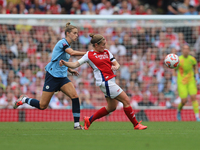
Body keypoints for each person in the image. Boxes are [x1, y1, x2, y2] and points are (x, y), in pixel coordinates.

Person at [59, 33, 147, 130]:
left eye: (105, 44)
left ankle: (89, 120)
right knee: (126, 100)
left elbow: (117, 64)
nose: (105, 46)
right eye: (103, 44)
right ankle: (136, 124)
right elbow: (76, 64)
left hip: (111, 81)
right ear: (96, 45)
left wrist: (116, 67)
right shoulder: (89, 54)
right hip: (105, 82)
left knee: (112, 107)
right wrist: (65, 63)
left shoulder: (107, 52)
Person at [13, 22, 86, 130]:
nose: (77, 35)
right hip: (52, 77)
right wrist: (88, 53)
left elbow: (61, 61)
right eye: (74, 33)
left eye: (77, 33)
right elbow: (72, 53)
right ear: (68, 33)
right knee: (43, 106)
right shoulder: (63, 43)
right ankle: (24, 99)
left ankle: (76, 125)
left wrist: (70, 70)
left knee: (75, 97)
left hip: (62, 78)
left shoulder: (67, 46)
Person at [173, 44, 200, 121]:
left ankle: (197, 117)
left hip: (191, 80)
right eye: (184, 49)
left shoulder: (192, 59)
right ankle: (179, 110)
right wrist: (173, 79)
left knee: (193, 97)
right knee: (184, 100)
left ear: (189, 50)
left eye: (187, 49)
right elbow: (174, 70)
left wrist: (197, 76)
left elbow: (195, 67)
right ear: (182, 50)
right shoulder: (178, 59)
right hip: (182, 82)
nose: (186, 50)